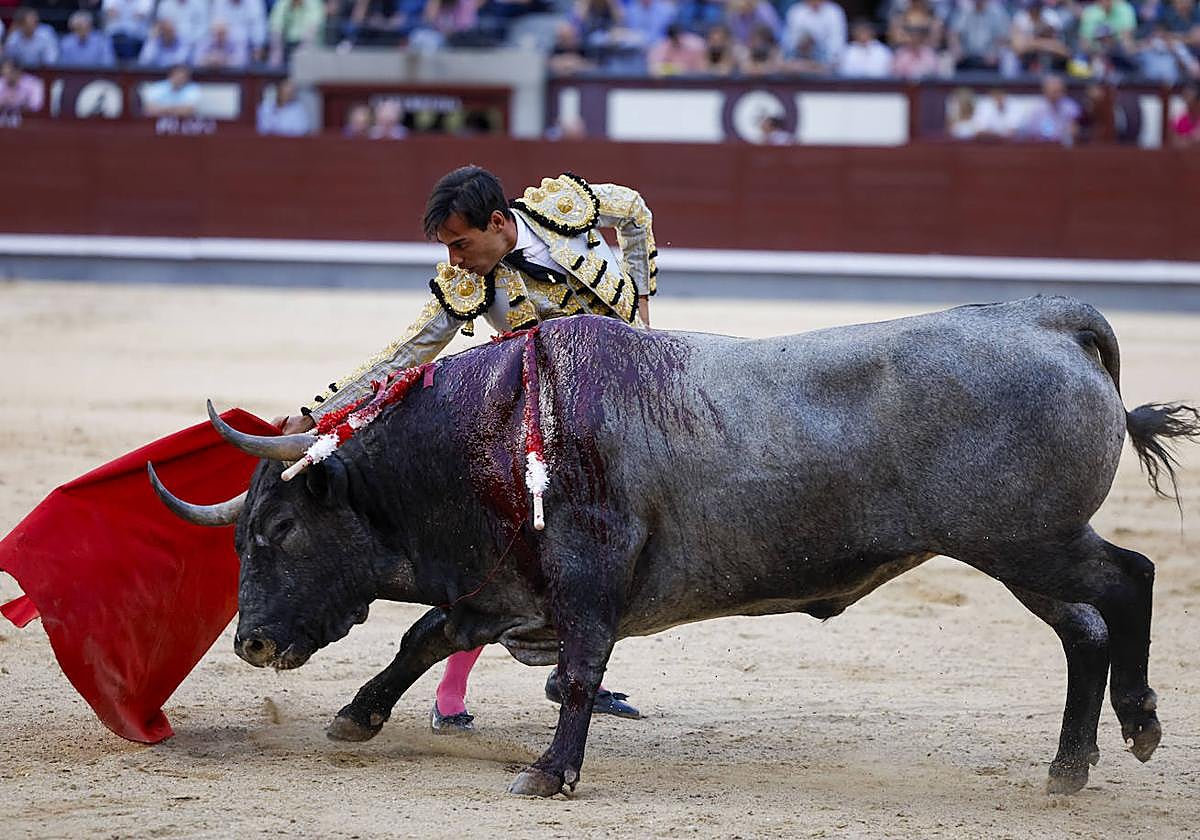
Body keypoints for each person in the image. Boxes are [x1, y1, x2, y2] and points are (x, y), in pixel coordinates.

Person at [275, 166, 658, 730]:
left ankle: (569, 673)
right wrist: (318, 412)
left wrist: (644, 313)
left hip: (624, 404)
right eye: (447, 247)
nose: (454, 259)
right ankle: (451, 694)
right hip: (539, 427)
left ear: (499, 223)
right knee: (503, 555)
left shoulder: (567, 210)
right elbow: (407, 352)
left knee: (618, 545)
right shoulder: (469, 286)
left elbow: (637, 214)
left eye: (461, 243)